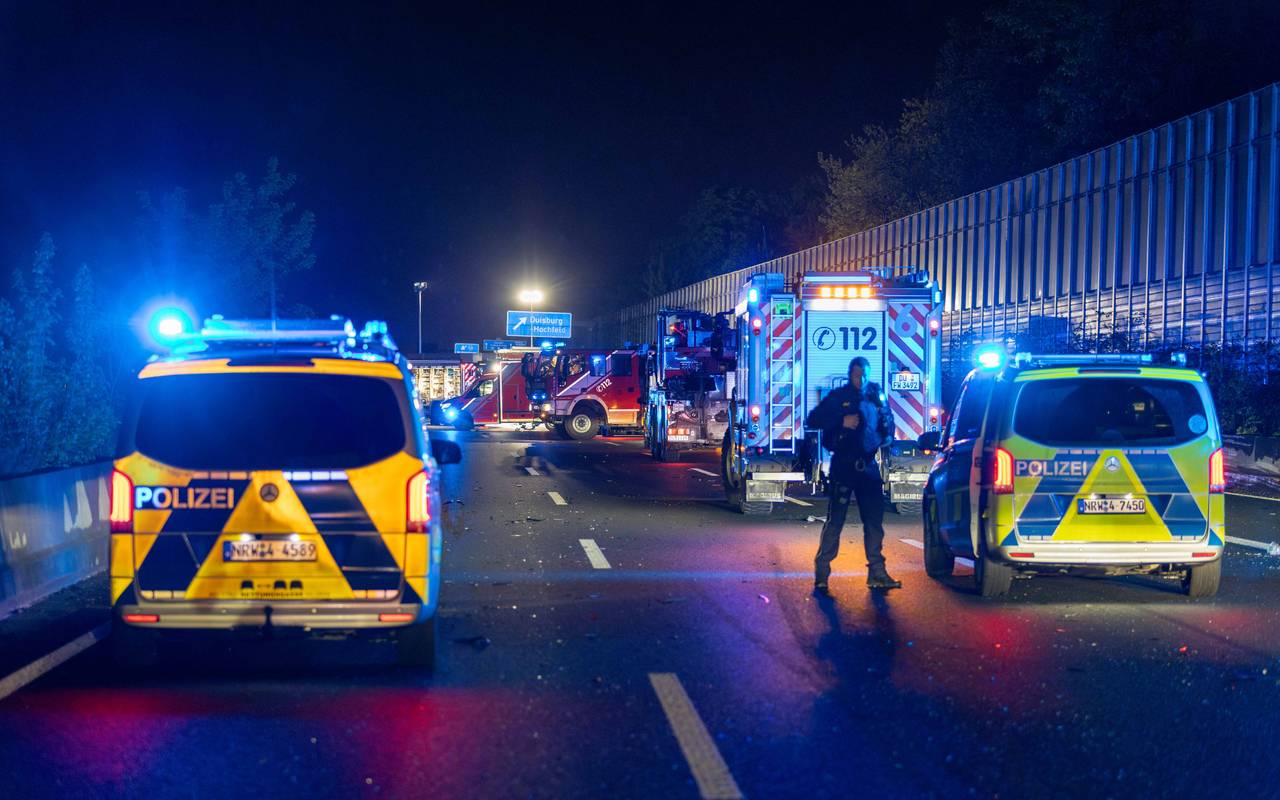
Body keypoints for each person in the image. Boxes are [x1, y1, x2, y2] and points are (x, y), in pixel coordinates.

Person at [805, 356, 901, 593]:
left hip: (868, 466)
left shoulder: (875, 395)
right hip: (844, 465)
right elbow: (814, 419)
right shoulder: (839, 397)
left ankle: (877, 573)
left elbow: (887, 421)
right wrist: (841, 421)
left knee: (874, 522)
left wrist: (887, 434)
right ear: (851, 374)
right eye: (858, 374)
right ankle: (822, 574)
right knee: (836, 521)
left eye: (865, 374)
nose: (862, 379)